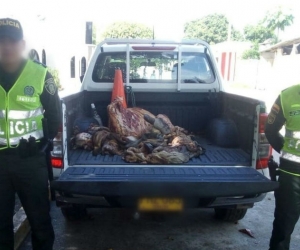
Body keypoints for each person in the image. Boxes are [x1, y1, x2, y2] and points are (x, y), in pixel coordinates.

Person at [0, 18, 60, 250]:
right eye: (2, 41)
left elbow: (53, 116)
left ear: (22, 44)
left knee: (40, 222)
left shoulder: (40, 74)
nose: (7, 46)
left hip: (30, 160)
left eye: (12, 41)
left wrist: (41, 146)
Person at [266, 85, 300, 250]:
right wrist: (286, 152)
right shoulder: (287, 96)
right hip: (291, 174)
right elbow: (270, 130)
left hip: (291, 173)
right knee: (282, 228)